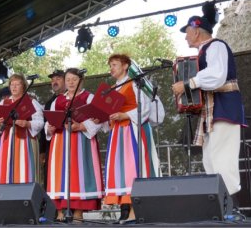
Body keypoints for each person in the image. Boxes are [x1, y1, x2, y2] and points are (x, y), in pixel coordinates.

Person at [172, 14, 246, 213]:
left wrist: (189, 83)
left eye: (187, 33)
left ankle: (231, 207)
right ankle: (220, 207)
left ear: (196, 31)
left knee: (223, 157)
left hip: (224, 108)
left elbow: (217, 75)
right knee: (211, 158)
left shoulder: (216, 46)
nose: (186, 38)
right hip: (213, 110)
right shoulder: (205, 51)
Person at [103, 54, 160, 223]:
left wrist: (124, 114)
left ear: (126, 66)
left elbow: (145, 107)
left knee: (135, 167)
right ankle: (127, 212)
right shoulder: (113, 88)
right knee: (122, 171)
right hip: (118, 133)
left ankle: (137, 211)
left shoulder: (135, 83)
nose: (111, 68)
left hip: (133, 130)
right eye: (110, 65)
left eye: (114, 64)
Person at [45, 68, 103, 222]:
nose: (70, 82)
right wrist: (49, 128)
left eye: (74, 79)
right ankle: (60, 212)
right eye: (68, 79)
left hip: (81, 142)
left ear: (81, 81)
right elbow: (50, 120)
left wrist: (81, 126)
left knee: (79, 174)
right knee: (59, 175)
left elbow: (99, 120)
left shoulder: (89, 97)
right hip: (60, 142)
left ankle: (78, 212)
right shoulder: (58, 100)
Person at [0, 73, 44, 184]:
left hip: (25, 141)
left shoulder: (32, 102)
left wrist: (27, 123)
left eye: (17, 84)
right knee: (6, 170)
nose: (14, 87)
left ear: (23, 86)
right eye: (12, 84)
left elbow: (40, 122)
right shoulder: (3, 102)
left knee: (24, 169)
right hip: (7, 141)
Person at [39, 69, 66, 189]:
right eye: (53, 79)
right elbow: (43, 127)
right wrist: (42, 150)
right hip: (52, 143)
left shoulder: (72, 98)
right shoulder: (49, 102)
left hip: (70, 141)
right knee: (51, 175)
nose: (54, 82)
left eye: (58, 79)